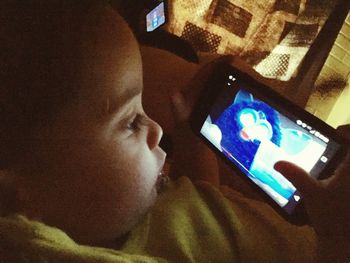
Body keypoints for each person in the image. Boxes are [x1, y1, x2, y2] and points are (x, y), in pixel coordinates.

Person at [0, 1, 348, 262]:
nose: (155, 128)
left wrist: (190, 143)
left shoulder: (119, 208)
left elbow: (201, 213)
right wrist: (335, 241)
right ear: (21, 195)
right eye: (130, 122)